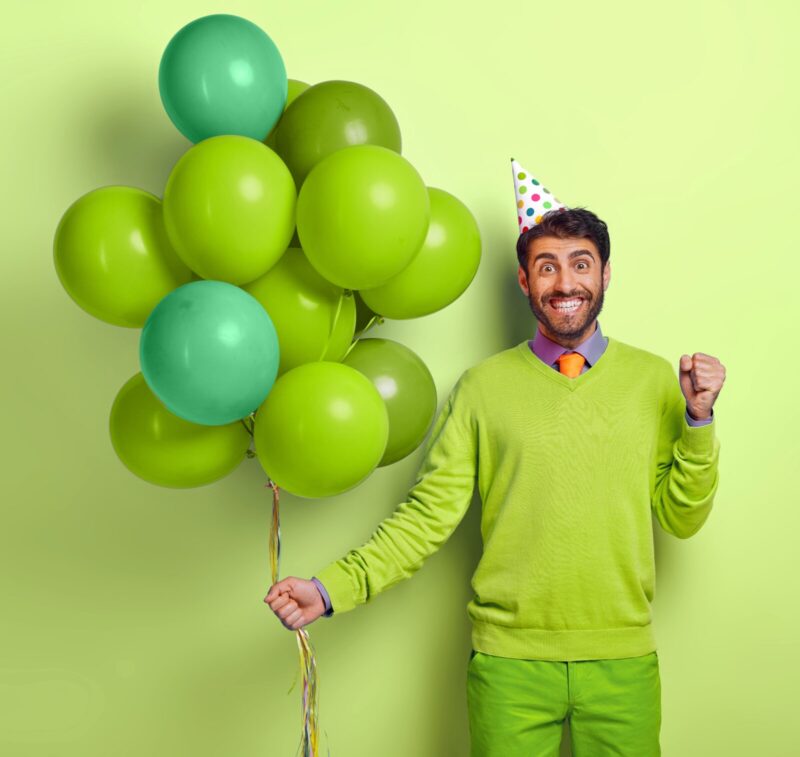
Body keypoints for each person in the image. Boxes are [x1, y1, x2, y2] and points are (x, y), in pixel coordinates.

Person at [264, 161, 724, 756]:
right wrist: (330, 590)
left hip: (622, 660)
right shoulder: (482, 388)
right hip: (508, 665)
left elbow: (681, 518)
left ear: (605, 274)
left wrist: (698, 421)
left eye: (581, 264)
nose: (565, 283)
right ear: (524, 280)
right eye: (547, 266)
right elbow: (426, 517)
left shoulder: (654, 380)